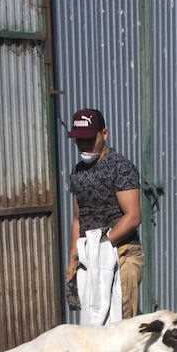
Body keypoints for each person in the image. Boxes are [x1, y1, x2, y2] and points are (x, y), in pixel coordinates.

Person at [65, 108, 144, 321]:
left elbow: (133, 216)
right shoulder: (77, 172)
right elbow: (77, 218)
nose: (84, 144)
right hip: (91, 257)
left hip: (122, 253)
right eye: (79, 139)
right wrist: (73, 259)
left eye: (89, 139)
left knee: (123, 327)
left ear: (105, 134)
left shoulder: (121, 168)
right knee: (94, 325)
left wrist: (103, 243)